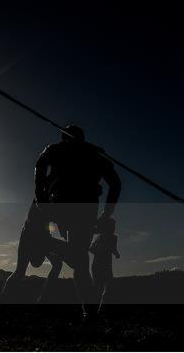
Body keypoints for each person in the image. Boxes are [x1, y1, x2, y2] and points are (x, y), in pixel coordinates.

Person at [36, 124, 121, 319]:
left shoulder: (61, 150)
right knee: (80, 258)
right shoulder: (92, 154)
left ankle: (89, 311)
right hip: (80, 209)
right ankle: (89, 311)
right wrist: (107, 213)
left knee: (80, 259)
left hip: (68, 208)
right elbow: (115, 183)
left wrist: (40, 196)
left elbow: (39, 166)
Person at [90, 216, 120, 313]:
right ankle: (93, 309)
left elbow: (113, 248)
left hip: (107, 266)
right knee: (98, 287)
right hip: (97, 265)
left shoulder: (114, 237)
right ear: (106, 227)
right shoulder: (99, 237)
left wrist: (116, 253)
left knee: (109, 286)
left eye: (114, 226)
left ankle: (100, 309)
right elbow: (91, 249)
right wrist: (99, 250)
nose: (114, 228)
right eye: (112, 226)